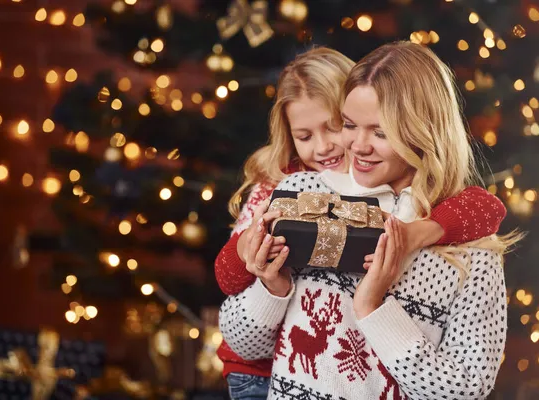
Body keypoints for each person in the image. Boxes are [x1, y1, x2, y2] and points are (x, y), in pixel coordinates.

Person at [219, 41, 518, 400]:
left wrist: (373, 309)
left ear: (424, 131)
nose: (356, 146)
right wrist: (272, 288)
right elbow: (243, 344)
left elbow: (466, 389)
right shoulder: (304, 196)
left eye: (380, 132)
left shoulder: (472, 251)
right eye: (349, 125)